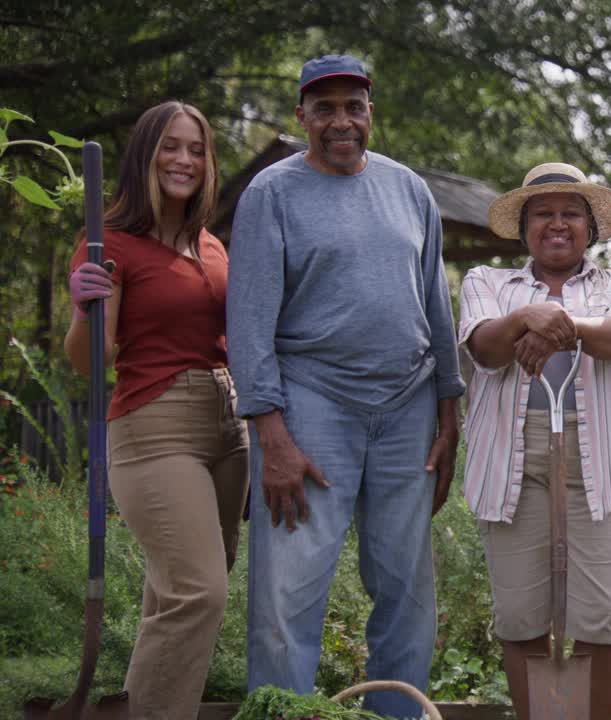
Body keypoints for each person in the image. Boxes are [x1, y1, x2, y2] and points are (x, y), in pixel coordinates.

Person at [226, 54, 465, 719]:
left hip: (408, 408)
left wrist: (450, 419)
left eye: (353, 106)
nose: (340, 121)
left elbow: (435, 308)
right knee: (288, 593)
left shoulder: (410, 190)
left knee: (408, 590)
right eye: (324, 108)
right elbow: (248, 325)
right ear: (301, 115)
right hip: (311, 406)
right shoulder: (270, 194)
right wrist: (270, 435)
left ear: (370, 112)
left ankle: (398, 713)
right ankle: (283, 711)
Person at [64, 100, 246, 719]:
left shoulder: (212, 247)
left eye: (197, 149)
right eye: (171, 146)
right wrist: (84, 306)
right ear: (146, 153)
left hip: (228, 421)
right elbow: (89, 358)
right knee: (199, 591)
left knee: (181, 589)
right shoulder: (108, 242)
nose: (185, 160)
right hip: (154, 423)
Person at [458, 162, 611, 720]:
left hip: (592, 467)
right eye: (543, 213)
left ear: (591, 228)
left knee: (599, 620)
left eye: (571, 212)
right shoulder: (487, 283)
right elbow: (487, 349)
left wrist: (549, 322)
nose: (558, 223)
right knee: (521, 617)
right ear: (524, 229)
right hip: (512, 461)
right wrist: (525, 314)